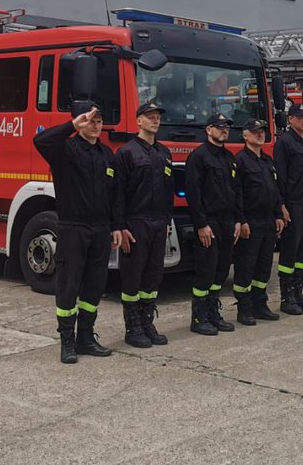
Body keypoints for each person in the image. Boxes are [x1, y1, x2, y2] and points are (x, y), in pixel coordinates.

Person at [32, 102, 121, 364]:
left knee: (95, 286)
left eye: (99, 121)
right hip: (73, 228)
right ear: (80, 121)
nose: (95, 125)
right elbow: (40, 140)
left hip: (101, 230)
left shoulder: (107, 154)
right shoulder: (65, 150)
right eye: (90, 120)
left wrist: (116, 226)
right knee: (69, 286)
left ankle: (86, 337)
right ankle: (67, 341)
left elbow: (114, 195)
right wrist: (72, 125)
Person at [114, 101, 175, 348]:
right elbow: (117, 193)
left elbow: (168, 190)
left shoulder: (164, 153)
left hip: (159, 222)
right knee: (133, 276)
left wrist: (168, 220)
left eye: (157, 117)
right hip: (135, 223)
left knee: (153, 275)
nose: (155, 120)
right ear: (138, 121)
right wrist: (120, 225)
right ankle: (133, 327)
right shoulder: (126, 153)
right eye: (149, 117)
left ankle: (147, 321)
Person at [184, 113, 241, 335]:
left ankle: (213, 313)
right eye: (220, 127)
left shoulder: (228, 157)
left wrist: (237, 220)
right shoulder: (198, 157)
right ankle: (199, 317)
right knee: (205, 270)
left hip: (227, 221)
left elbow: (236, 191)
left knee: (220, 270)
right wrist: (201, 224)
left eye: (226, 127)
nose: (224, 130)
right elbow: (193, 193)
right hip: (209, 222)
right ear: (208, 130)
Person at [232, 119, 285, 325]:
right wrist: (242, 220)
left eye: (262, 131)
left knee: (264, 266)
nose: (260, 134)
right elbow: (237, 194)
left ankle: (259, 304)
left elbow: (275, 190)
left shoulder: (267, 160)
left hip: (268, 221)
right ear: (245, 136)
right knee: (246, 266)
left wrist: (278, 214)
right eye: (255, 132)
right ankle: (244, 309)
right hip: (251, 222)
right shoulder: (240, 161)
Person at [274, 104, 303, 315]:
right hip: (292, 204)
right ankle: (287, 297)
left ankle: (299, 293)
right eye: (300, 117)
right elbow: (281, 177)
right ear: (290, 119)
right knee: (290, 251)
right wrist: (282, 205)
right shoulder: (284, 142)